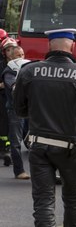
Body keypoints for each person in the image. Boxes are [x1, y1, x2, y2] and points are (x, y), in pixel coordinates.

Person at [13, 28, 76, 227]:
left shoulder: (28, 71)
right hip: (70, 147)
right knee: (74, 200)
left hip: (39, 145)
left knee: (43, 202)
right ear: (73, 46)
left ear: (49, 45)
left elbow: (20, 110)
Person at [2, 46, 30, 180]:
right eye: (18, 55)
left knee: (34, 140)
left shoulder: (25, 69)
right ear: (11, 57)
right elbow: (14, 88)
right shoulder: (9, 71)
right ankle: (19, 171)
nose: (21, 57)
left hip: (29, 110)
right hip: (15, 110)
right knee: (16, 141)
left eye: (22, 54)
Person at [0, 35, 15, 166]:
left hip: (17, 99)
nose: (11, 52)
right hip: (3, 98)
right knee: (4, 123)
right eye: (8, 50)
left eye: (12, 49)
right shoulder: (2, 65)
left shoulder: (21, 64)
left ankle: (9, 148)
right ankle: (4, 149)